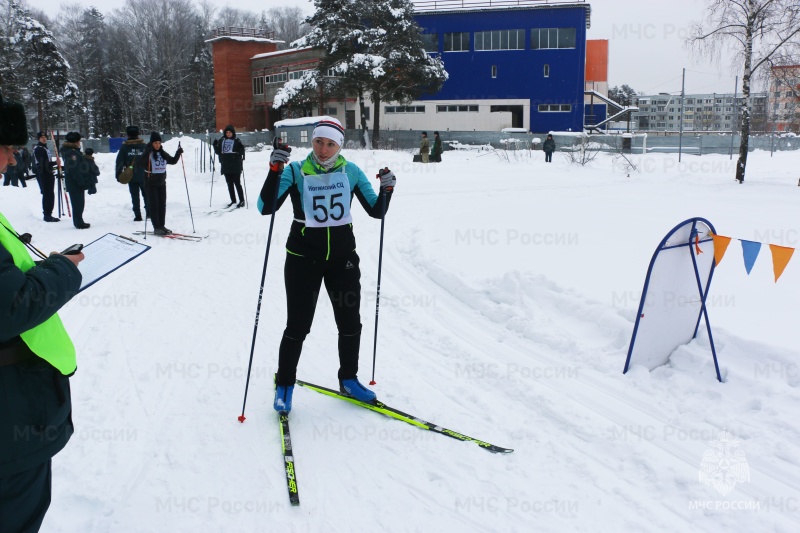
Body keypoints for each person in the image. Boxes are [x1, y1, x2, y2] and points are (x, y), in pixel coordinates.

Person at [258, 118, 396, 412]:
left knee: (350, 323)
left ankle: (349, 379)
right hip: (302, 259)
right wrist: (274, 171)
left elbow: (376, 211)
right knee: (297, 325)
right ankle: (285, 384)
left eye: (330, 143)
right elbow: (265, 207)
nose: (323, 149)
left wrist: (387, 190)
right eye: (319, 142)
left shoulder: (351, 171)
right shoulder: (295, 171)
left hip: (343, 259)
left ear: (339, 145)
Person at [0, 93, 84, 533]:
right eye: (8, 151)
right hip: (10, 416)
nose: (10, 162)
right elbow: (10, 307)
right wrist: (62, 272)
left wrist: (41, 267)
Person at [137, 132, 183, 235]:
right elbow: (139, 164)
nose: (157, 145)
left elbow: (172, 161)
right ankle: (156, 227)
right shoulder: (148, 153)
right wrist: (146, 153)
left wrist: (178, 153)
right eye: (155, 143)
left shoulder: (162, 152)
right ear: (151, 143)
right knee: (154, 205)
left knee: (162, 205)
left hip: (161, 183)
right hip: (150, 183)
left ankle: (162, 225)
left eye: (159, 143)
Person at [115, 126, 148, 221]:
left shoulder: (125, 147)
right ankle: (149, 212)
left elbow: (119, 162)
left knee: (134, 196)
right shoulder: (144, 146)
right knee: (146, 195)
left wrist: (118, 175)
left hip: (131, 175)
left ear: (128, 135)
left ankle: (138, 215)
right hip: (144, 175)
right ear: (138, 134)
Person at [60, 132, 91, 229]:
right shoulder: (72, 153)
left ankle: (79, 221)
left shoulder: (72, 151)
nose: (80, 142)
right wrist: (81, 182)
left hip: (75, 182)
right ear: (76, 141)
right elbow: (75, 170)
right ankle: (78, 222)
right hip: (75, 183)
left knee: (79, 203)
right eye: (79, 140)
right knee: (78, 204)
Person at [212, 125, 246, 208]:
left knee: (237, 183)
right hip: (226, 165)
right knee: (229, 183)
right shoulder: (221, 141)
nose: (228, 134)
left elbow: (241, 151)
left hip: (235, 165)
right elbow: (218, 152)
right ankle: (233, 200)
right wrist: (215, 146)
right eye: (227, 132)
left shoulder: (237, 141)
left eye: (230, 132)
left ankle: (242, 200)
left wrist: (241, 150)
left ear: (233, 133)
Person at [32, 132, 59, 222]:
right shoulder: (39, 149)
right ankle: (47, 215)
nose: (44, 139)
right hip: (44, 174)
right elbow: (43, 163)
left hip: (48, 173)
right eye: (41, 137)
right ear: (38, 139)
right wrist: (55, 163)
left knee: (49, 194)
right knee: (48, 194)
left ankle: (48, 214)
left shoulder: (44, 148)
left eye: (45, 137)